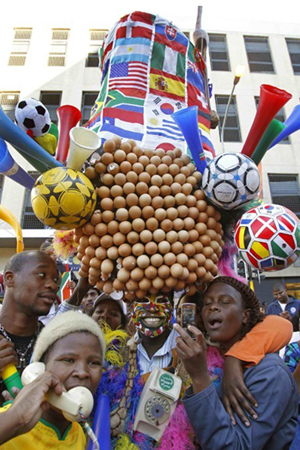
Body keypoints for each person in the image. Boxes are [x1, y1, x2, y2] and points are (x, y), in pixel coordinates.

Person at [96, 289, 293, 449]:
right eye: (143, 300)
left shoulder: (207, 357)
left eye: (162, 301)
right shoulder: (114, 352)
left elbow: (232, 443)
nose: (153, 309)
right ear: (130, 307)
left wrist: (232, 360)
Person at [176, 276, 298, 449]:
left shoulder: (270, 372)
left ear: (246, 316)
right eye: (207, 303)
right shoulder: (209, 357)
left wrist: (200, 378)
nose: (213, 307)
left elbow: (234, 446)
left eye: (225, 301)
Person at [0, 311, 105, 448]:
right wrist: (15, 420)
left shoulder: (80, 435)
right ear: (39, 369)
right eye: (68, 360)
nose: (82, 373)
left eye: (94, 363)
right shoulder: (8, 420)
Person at [0, 251, 93, 403]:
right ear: (10, 279)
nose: (53, 285)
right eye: (41, 275)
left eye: (56, 279)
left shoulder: (53, 344)